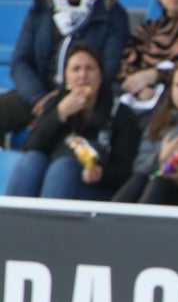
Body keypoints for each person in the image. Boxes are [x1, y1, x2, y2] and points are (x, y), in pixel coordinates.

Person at [0, 0, 129, 141]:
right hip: (39, 94)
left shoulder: (112, 13)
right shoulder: (41, 8)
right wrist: (39, 98)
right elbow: (21, 61)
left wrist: (66, 99)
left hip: (85, 101)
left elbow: (110, 67)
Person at [4, 42, 139, 200]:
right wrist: (60, 114)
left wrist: (101, 174)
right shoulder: (56, 103)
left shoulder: (120, 113)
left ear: (101, 76)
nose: (82, 75)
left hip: (97, 190)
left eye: (89, 68)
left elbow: (125, 172)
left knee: (63, 168)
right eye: (76, 69)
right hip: (55, 183)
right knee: (31, 161)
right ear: (66, 78)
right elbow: (31, 147)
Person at [112, 58, 178, 206]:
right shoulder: (160, 118)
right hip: (150, 181)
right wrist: (161, 158)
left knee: (159, 183)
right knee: (139, 180)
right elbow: (139, 165)